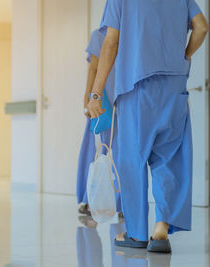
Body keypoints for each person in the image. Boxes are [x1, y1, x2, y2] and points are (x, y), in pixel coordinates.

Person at [87, 0, 208, 253]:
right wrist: (184, 56)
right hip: (174, 85)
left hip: (137, 85)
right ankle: (161, 228)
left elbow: (111, 42)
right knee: (170, 157)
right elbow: (201, 28)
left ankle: (137, 233)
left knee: (132, 159)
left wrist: (96, 92)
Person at [76, 29, 122, 219]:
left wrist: (89, 97)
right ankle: (112, 203)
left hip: (105, 99)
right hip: (111, 99)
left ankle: (93, 200)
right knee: (112, 151)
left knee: (97, 151)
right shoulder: (104, 35)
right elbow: (94, 68)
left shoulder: (103, 34)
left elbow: (94, 68)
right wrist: (89, 98)